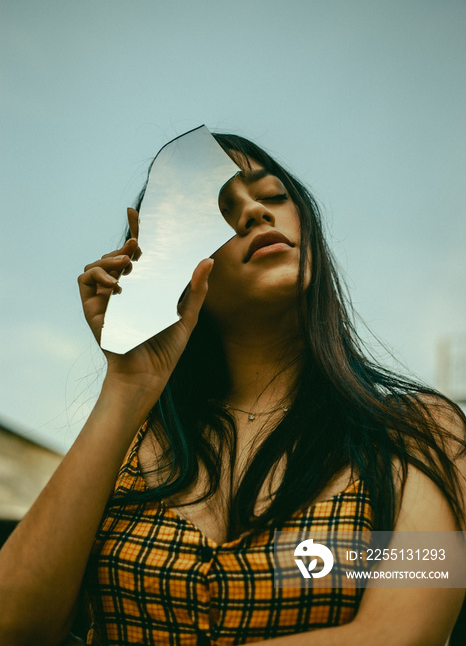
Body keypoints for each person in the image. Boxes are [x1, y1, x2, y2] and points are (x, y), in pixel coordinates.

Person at [0, 133, 465, 646]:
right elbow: (13, 626)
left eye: (271, 196)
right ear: (172, 262)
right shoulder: (124, 451)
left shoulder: (423, 432)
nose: (254, 213)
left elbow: (403, 635)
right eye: (218, 209)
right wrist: (128, 383)